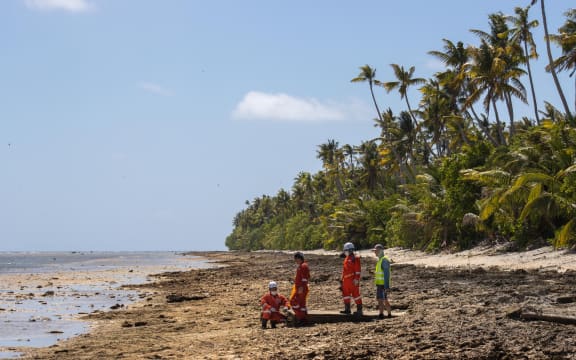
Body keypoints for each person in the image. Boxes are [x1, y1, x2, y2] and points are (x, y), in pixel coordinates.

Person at [340, 242, 362, 316]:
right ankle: (347, 309)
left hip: (352, 280)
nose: (345, 252)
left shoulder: (355, 258)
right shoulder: (347, 258)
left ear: (349, 250)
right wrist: (341, 280)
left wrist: (356, 279)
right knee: (345, 294)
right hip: (346, 280)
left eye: (345, 250)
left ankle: (359, 310)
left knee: (356, 295)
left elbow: (358, 270)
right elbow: (344, 270)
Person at [290, 251, 310, 325]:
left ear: (299, 258)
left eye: (296, 259)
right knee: (302, 304)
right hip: (301, 288)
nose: (295, 261)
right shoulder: (303, 265)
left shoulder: (303, 266)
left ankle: (301, 318)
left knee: (293, 301)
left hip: (301, 288)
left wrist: (301, 287)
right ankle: (304, 319)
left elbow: (305, 278)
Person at [373, 244, 392, 319]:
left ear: (380, 251)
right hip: (379, 284)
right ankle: (381, 314)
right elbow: (380, 272)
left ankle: (389, 315)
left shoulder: (384, 260)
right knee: (380, 300)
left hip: (383, 285)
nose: (375, 253)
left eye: (376, 251)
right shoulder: (380, 260)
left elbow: (386, 274)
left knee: (384, 300)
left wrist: (386, 286)